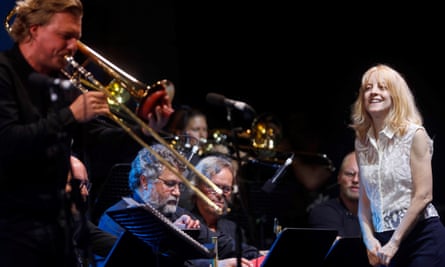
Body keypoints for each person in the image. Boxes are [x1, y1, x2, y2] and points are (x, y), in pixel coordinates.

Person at [0, 0, 172, 266]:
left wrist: (147, 129)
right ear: (34, 31)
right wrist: (70, 115)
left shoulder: (62, 84)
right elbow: (8, 141)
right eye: (65, 36)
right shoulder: (4, 73)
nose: (73, 48)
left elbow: (101, 141)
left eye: (77, 38)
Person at [98, 144, 259, 267]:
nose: (177, 192)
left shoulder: (177, 214)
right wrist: (215, 264)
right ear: (145, 181)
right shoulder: (117, 217)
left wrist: (262, 253)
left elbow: (221, 244)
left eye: (179, 186)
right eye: (170, 184)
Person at [350, 63, 445, 267]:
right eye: (368, 88)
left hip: (422, 237)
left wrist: (395, 242)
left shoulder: (414, 135)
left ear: (396, 95)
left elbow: (424, 195)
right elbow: (364, 203)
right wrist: (368, 239)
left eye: (382, 87)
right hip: (384, 241)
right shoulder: (362, 143)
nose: (373, 92)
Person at [189, 154, 263, 257]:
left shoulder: (234, 229)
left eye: (226, 189)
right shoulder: (186, 223)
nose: (220, 194)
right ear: (196, 187)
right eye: (213, 187)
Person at [308, 150, 361, 238]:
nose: (355, 180)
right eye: (349, 174)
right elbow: (343, 250)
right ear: (339, 178)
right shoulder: (323, 212)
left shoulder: (383, 214)